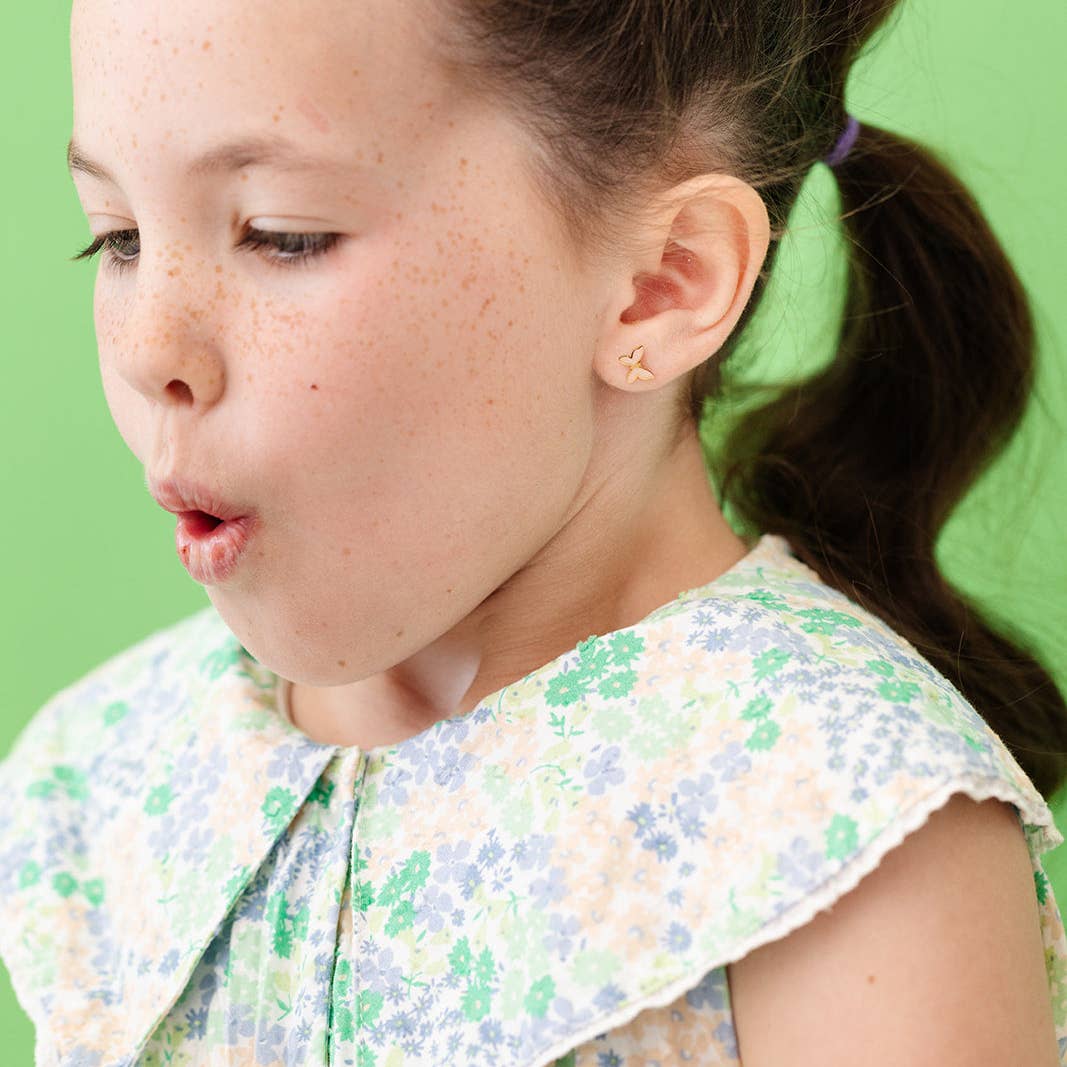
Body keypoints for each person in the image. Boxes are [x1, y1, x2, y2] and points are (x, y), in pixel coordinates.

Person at [1, 0, 1066, 1063]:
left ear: (661, 283)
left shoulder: (844, 838)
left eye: (282, 233)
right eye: (119, 236)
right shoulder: (111, 772)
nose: (149, 350)